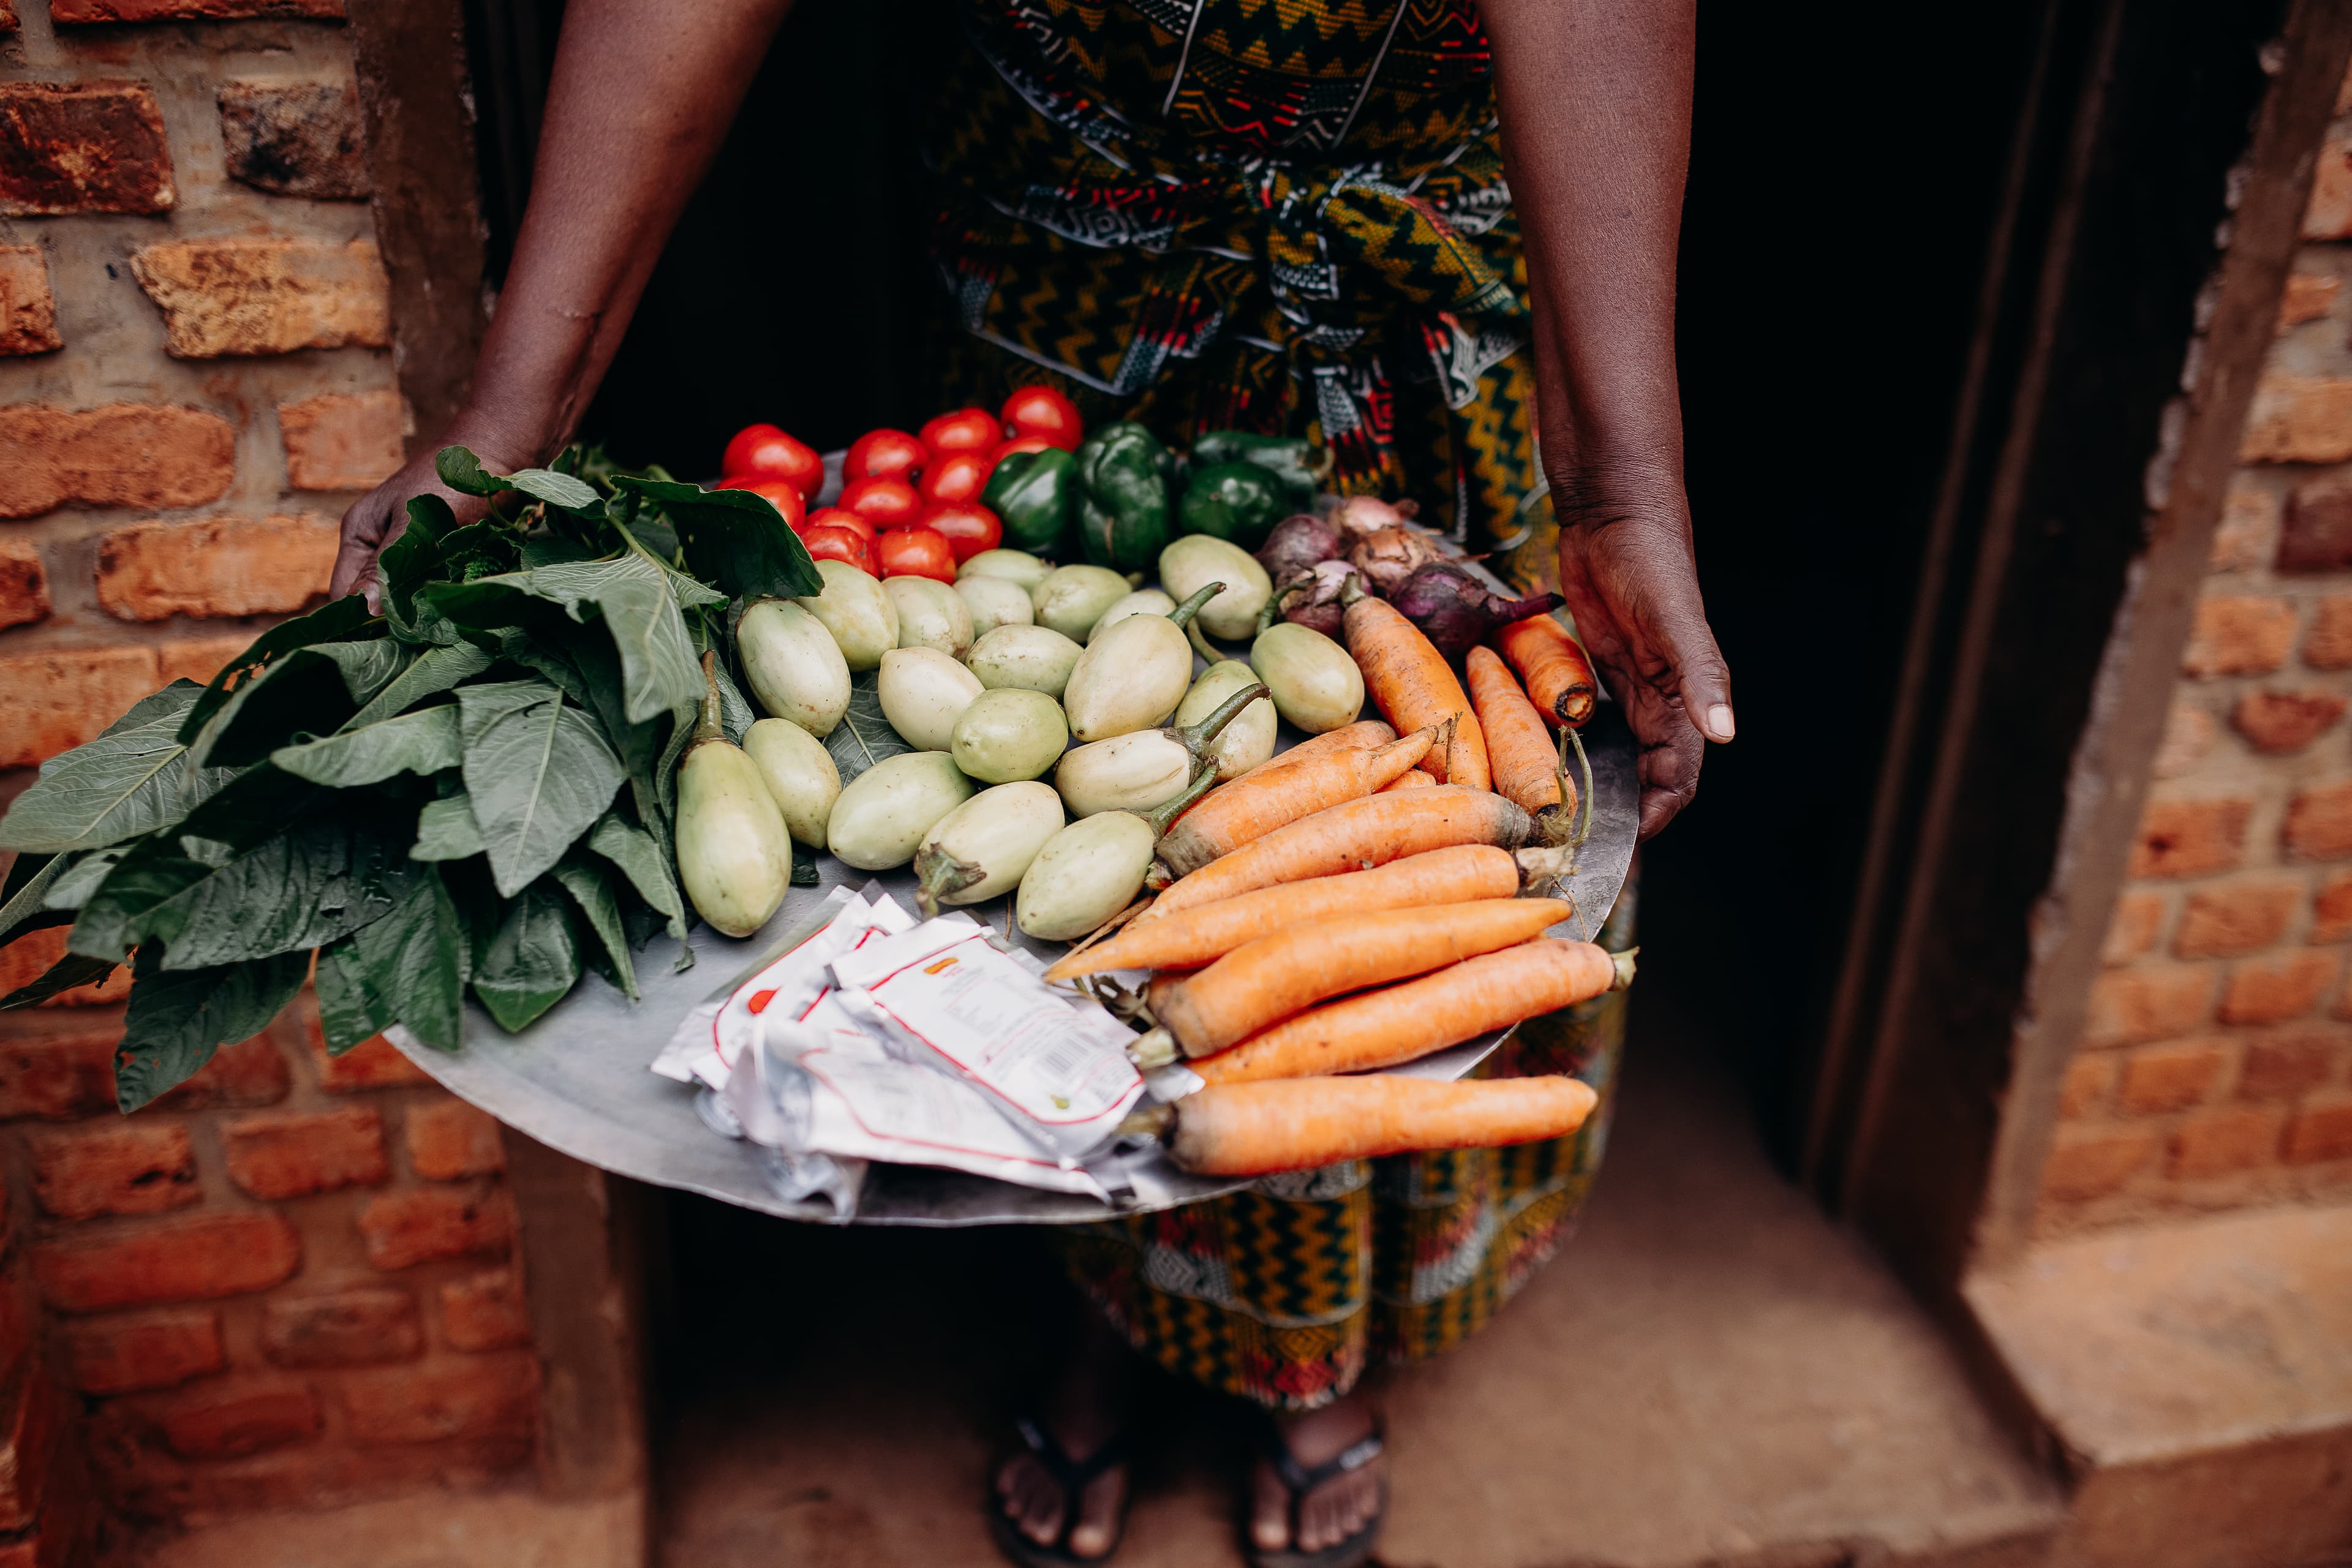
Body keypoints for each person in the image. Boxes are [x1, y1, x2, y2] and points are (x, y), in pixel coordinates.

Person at [331, 3, 1732, 1563]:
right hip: (1076, 248)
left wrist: (1621, 485)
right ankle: (1105, 1311)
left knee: (1442, 825)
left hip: (1408, 256)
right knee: (1085, 877)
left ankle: (1317, 1354)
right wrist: (508, 422)